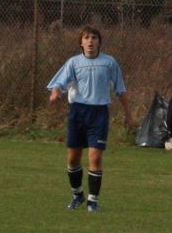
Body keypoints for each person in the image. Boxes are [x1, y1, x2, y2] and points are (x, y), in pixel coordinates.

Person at [47, 25, 134, 212]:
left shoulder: (109, 63)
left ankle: (93, 201)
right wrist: (55, 92)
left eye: (94, 37)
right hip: (77, 112)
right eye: (86, 38)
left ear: (99, 42)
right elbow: (58, 83)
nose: (90, 41)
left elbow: (121, 90)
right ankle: (77, 194)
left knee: (95, 158)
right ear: (81, 42)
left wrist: (129, 115)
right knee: (73, 159)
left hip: (99, 113)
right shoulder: (73, 62)